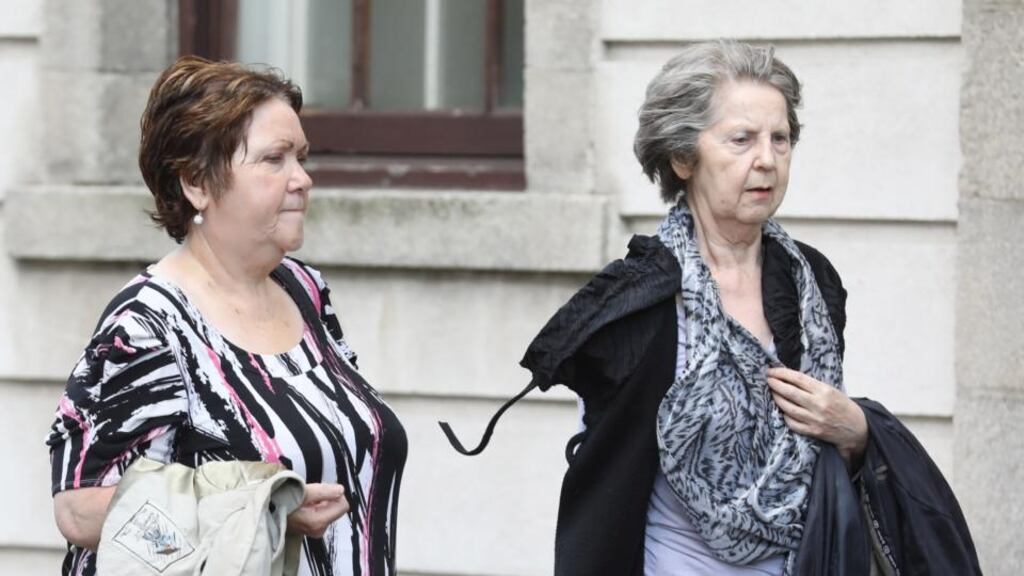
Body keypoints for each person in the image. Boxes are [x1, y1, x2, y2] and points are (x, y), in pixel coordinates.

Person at [442, 40, 980, 575]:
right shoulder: (638, 301)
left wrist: (856, 429)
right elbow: (605, 481)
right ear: (682, 157)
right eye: (741, 139)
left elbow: (826, 458)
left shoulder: (811, 284)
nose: (767, 159)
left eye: (781, 139)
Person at [46, 56, 406, 576]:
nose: (302, 179)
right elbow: (80, 510)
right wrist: (254, 510)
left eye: (301, 157)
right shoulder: (148, 325)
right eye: (273, 159)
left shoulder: (304, 289)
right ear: (197, 183)